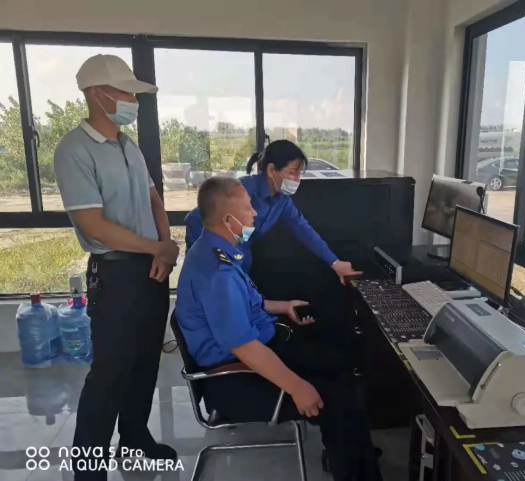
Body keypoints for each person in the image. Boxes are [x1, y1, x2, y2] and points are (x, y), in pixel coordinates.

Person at [175, 177, 382, 481]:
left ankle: (345, 451)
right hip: (233, 377)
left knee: (338, 364)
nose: (255, 214)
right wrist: (297, 387)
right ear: (228, 220)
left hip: (253, 352)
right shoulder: (218, 272)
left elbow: (242, 305)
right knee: (337, 397)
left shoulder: (214, 249)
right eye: (248, 208)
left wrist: (283, 306)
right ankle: (352, 460)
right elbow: (243, 346)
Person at [53, 54, 179, 480]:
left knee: (144, 363)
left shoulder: (129, 146)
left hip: (152, 270)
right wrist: (156, 248)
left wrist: (165, 246)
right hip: (116, 273)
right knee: (110, 373)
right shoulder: (74, 149)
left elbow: (155, 200)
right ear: (96, 94)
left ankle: (135, 437)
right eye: (126, 93)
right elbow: (95, 226)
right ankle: (89, 469)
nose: (133, 101)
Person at [184, 140, 361, 284]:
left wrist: (335, 262)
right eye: (293, 173)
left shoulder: (281, 200)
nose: (297, 179)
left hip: (241, 254)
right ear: (271, 170)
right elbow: (195, 218)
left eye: (300, 173)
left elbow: (304, 230)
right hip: (217, 250)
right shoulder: (243, 189)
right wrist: (207, 253)